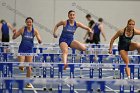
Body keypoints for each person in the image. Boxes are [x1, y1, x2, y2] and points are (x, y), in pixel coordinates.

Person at [12, 17, 42, 88]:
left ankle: (28, 83)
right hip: (22, 49)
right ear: (26, 23)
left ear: (32, 23)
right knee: (21, 65)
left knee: (29, 67)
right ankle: (22, 66)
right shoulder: (22, 29)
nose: (29, 23)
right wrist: (14, 33)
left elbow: (39, 39)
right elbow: (14, 37)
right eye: (27, 22)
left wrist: (39, 40)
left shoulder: (35, 31)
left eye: (30, 22)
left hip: (30, 50)